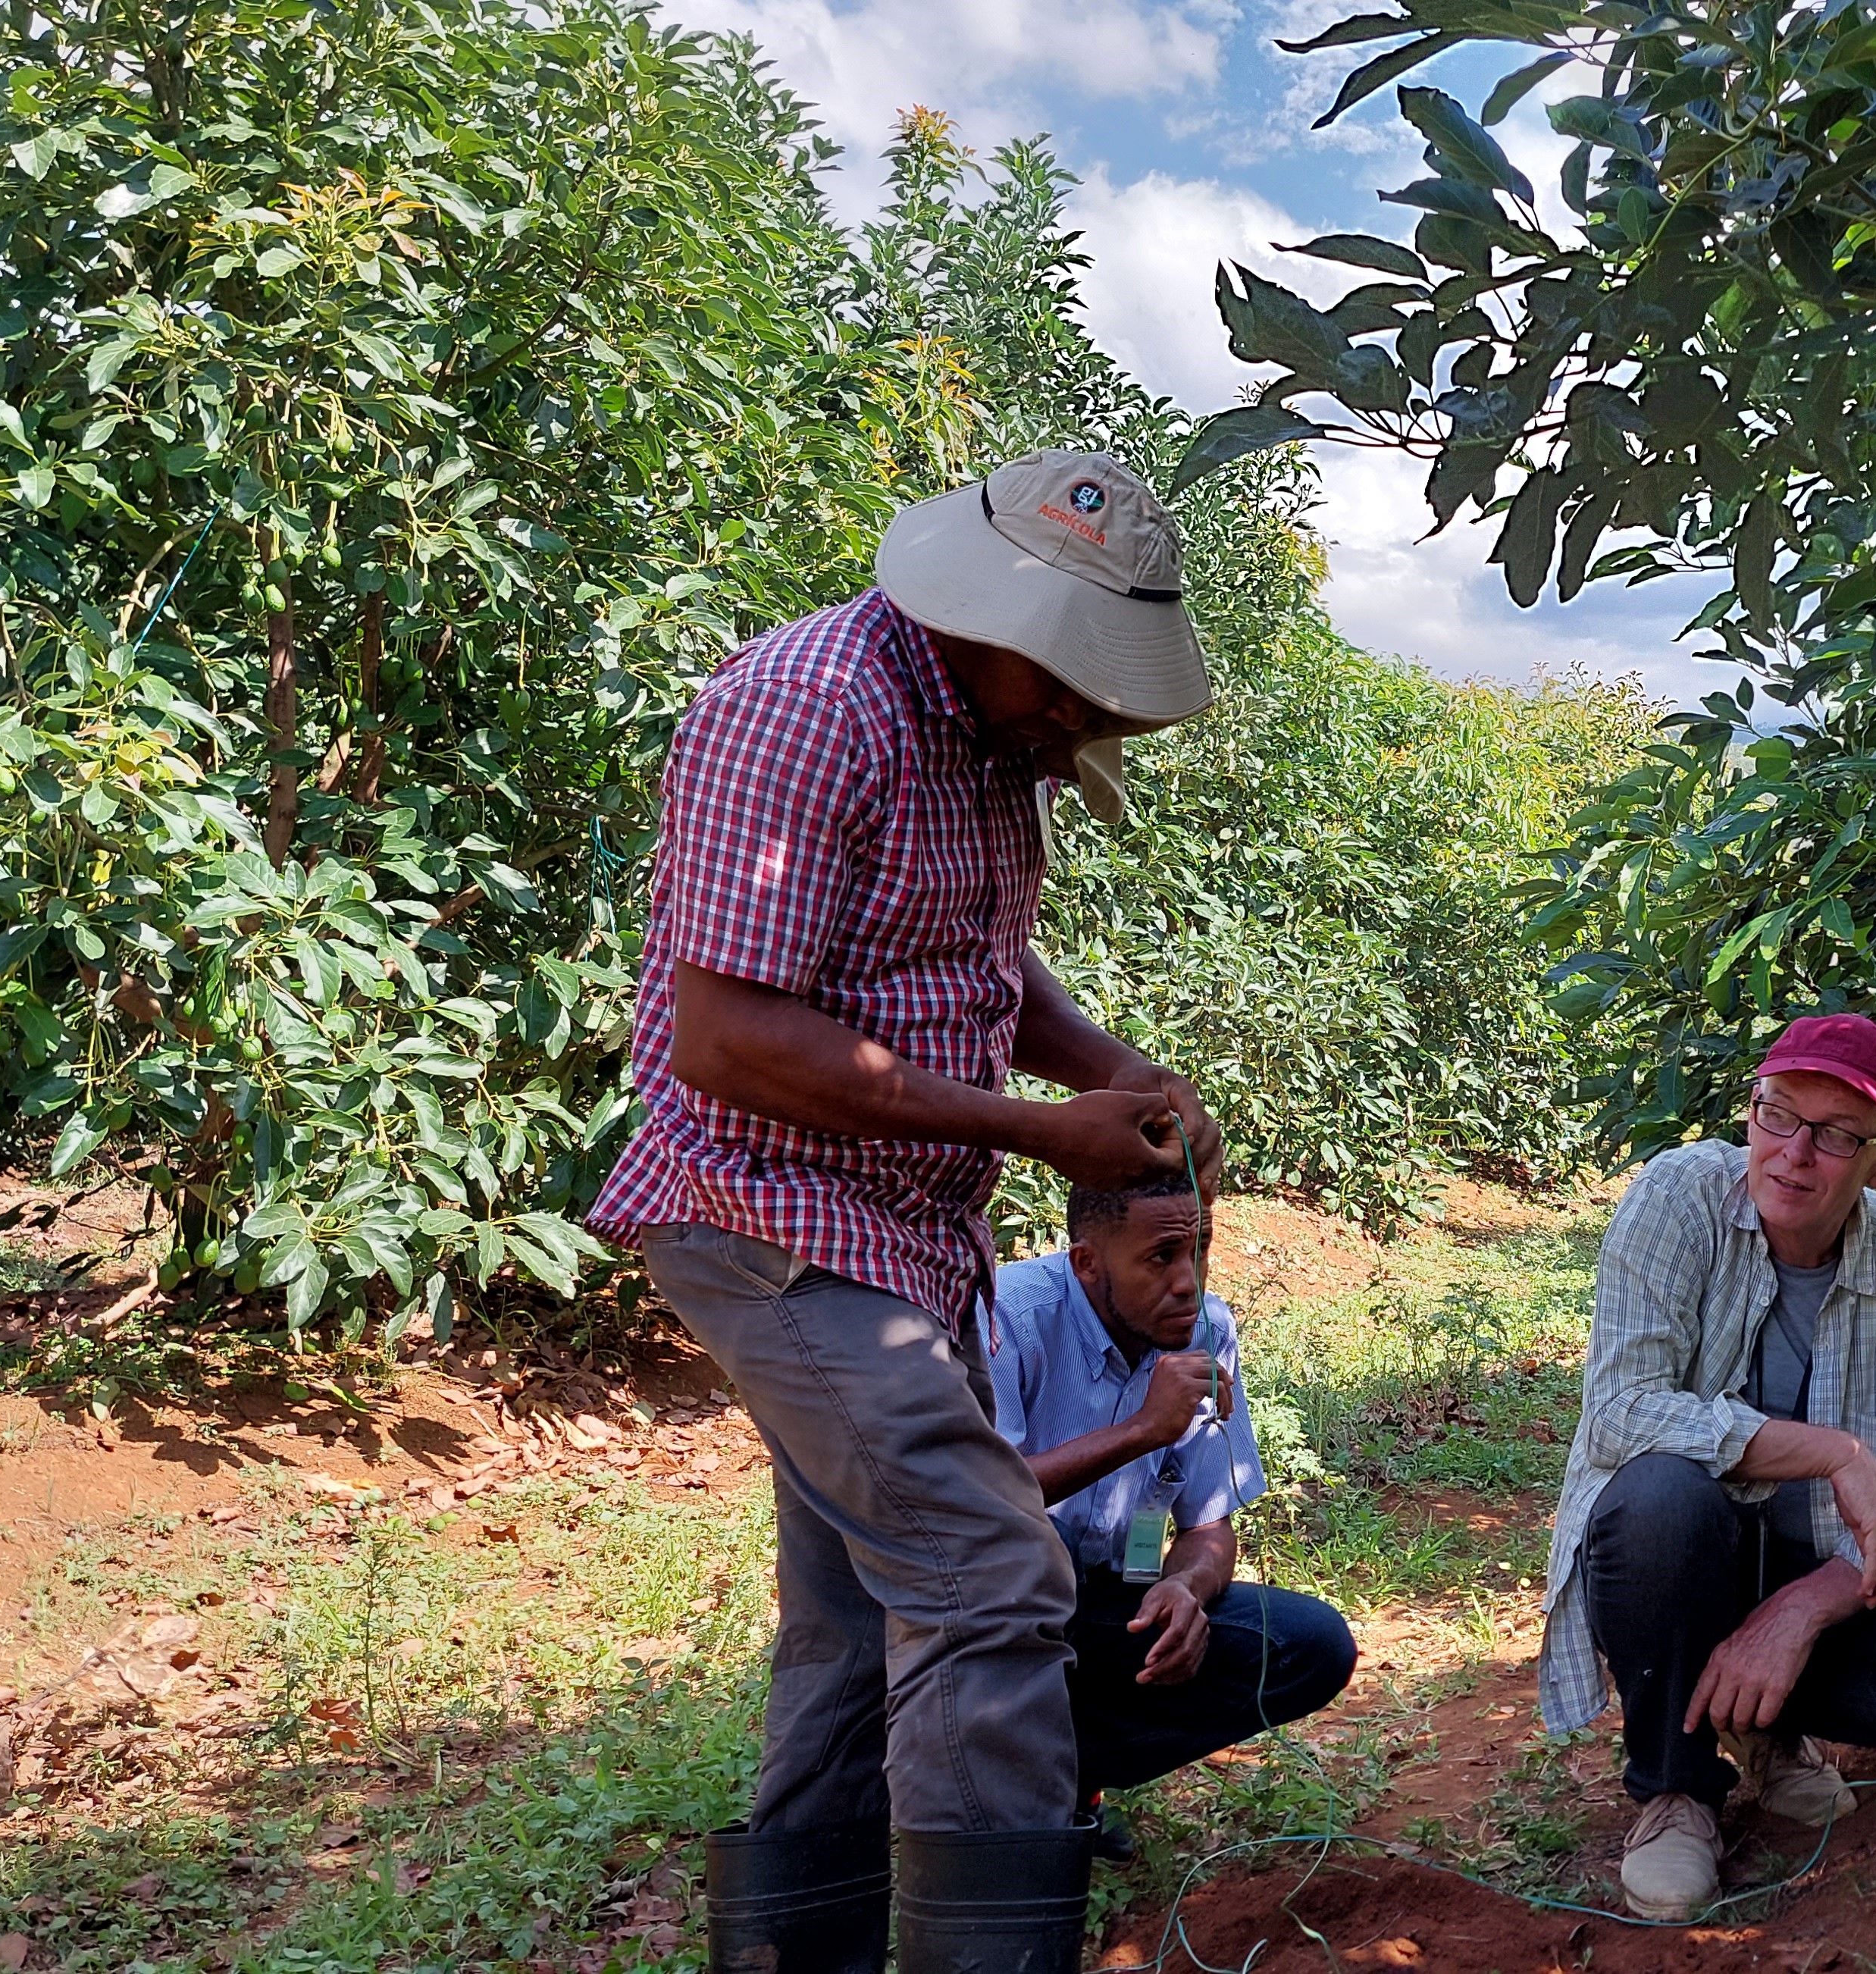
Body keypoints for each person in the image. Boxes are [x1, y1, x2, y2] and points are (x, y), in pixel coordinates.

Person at [588, 449, 1226, 1974]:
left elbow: (965, 971)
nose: (1075, 721)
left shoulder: (985, 739)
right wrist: (1038, 1128)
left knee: (853, 1630)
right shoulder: (807, 709)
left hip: (893, 1238)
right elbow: (727, 1035)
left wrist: (1106, 1073)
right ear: (984, 617)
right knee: (987, 1568)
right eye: (1065, 686)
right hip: (766, 1216)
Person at [1537, 1014, 1876, 1923]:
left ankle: (1771, 1730)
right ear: (1750, 1111)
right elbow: (1622, 1411)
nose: (1792, 1155)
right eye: (1776, 1116)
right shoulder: (1677, 1198)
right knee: (1659, 1494)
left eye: (1835, 1136)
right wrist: (1834, 1452)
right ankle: (1675, 1791)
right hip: (1674, 1572)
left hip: (1813, 1576)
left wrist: (1806, 1608)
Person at [991, 1171, 1357, 1857]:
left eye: (1200, 1249)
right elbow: (976, 1502)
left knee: (1310, 1645)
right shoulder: (1011, 1318)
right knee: (1046, 1553)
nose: (1187, 1281)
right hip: (997, 1610)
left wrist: (1185, 1589)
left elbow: (1210, 1527)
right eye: (1160, 1258)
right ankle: (1004, 1790)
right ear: (1088, 1263)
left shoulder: (1206, 1330)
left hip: (1103, 1604)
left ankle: (1066, 1776)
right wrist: (1140, 1430)